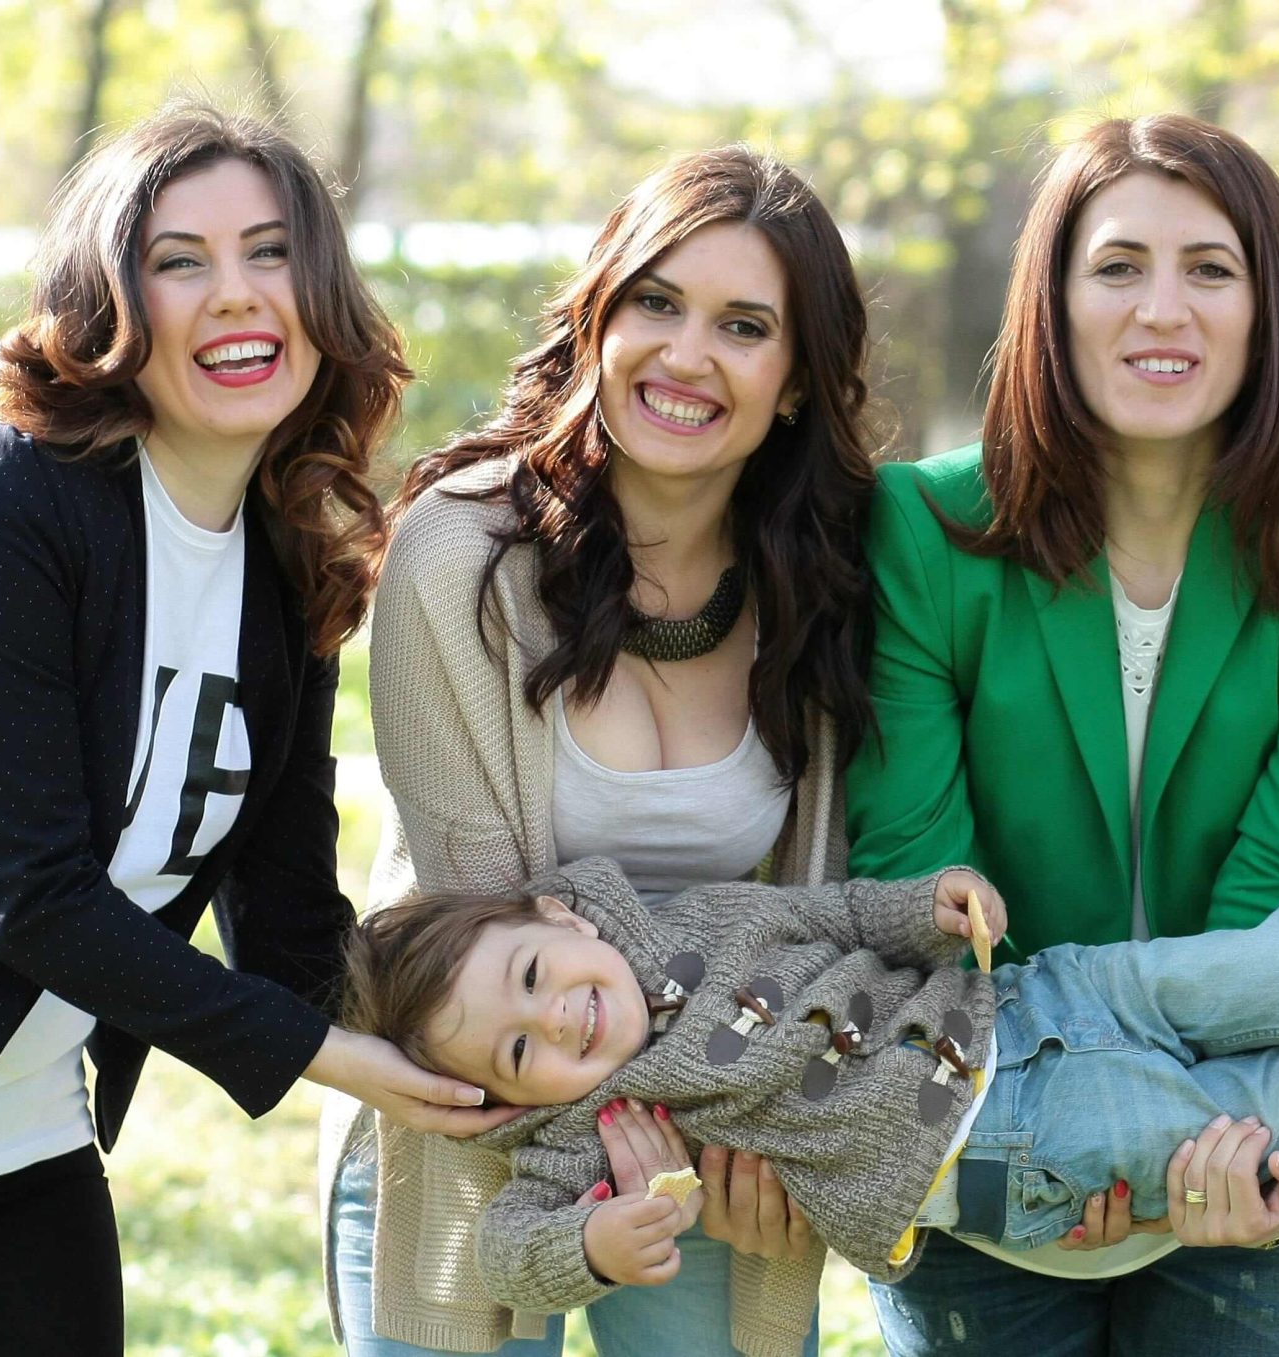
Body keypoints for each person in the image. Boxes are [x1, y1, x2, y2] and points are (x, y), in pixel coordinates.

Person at [0, 103, 494, 1356]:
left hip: (21, 1127)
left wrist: (475, 1030)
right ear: (110, 306)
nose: (236, 295)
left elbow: (291, 915)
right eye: (179, 262)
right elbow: (33, 895)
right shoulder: (7, 501)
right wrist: (322, 1058)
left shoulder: (288, 562)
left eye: (269, 252)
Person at [845, 112, 1279, 1353]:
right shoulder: (923, 528)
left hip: (1255, 1120)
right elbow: (928, 891)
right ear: (1051, 300)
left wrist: (1180, 1131)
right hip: (981, 1126)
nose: (1161, 308)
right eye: (1117, 266)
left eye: (1209, 269)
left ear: (1268, 307)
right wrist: (1069, 1119)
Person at [339, 862, 1279, 1357]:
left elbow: (827, 909)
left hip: (1044, 1001)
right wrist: (594, 1247)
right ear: (510, 1099)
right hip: (1011, 1155)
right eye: (525, 1050)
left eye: (537, 976)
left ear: (552, 914)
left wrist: (923, 905)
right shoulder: (588, 1131)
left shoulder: (674, 916)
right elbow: (512, 1252)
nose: (564, 1020)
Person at [324, 145, 880, 1357]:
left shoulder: (830, 588)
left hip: (731, 1151)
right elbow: (480, 933)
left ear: (794, 383)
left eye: (744, 326)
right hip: (481, 1133)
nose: (686, 356)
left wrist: (768, 1132)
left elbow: (828, 906)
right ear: (598, 318)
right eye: (657, 304)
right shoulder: (459, 558)